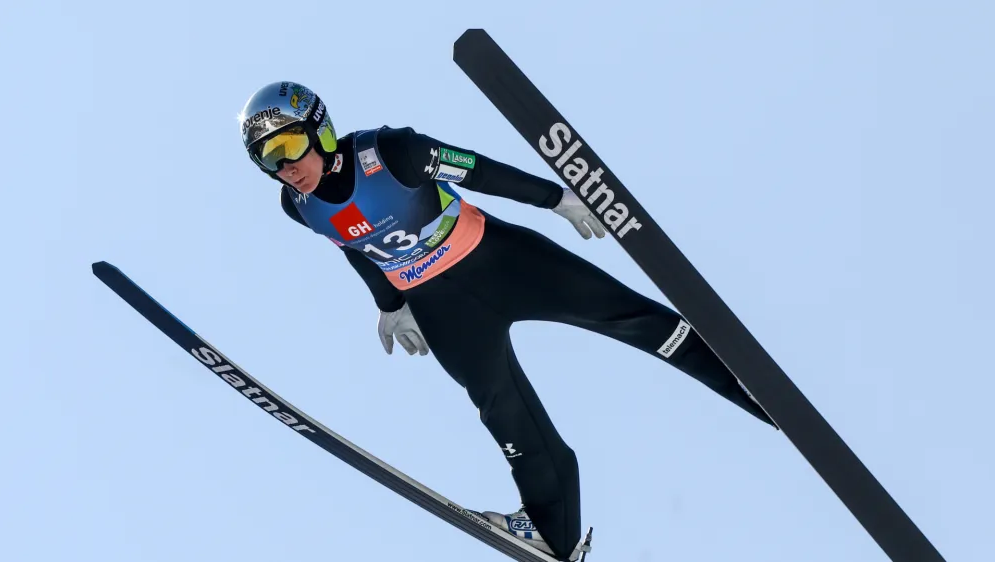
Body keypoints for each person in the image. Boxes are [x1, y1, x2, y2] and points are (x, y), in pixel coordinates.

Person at [239, 81, 776, 561]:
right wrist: (388, 302)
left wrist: (555, 199)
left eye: (287, 147)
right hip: (442, 311)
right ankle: (552, 533)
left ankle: (754, 390)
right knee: (507, 417)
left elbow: (474, 168)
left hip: (502, 262)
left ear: (321, 130)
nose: (284, 167)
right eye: (268, 160)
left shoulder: (390, 151)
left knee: (626, 315)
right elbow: (353, 244)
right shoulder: (296, 205)